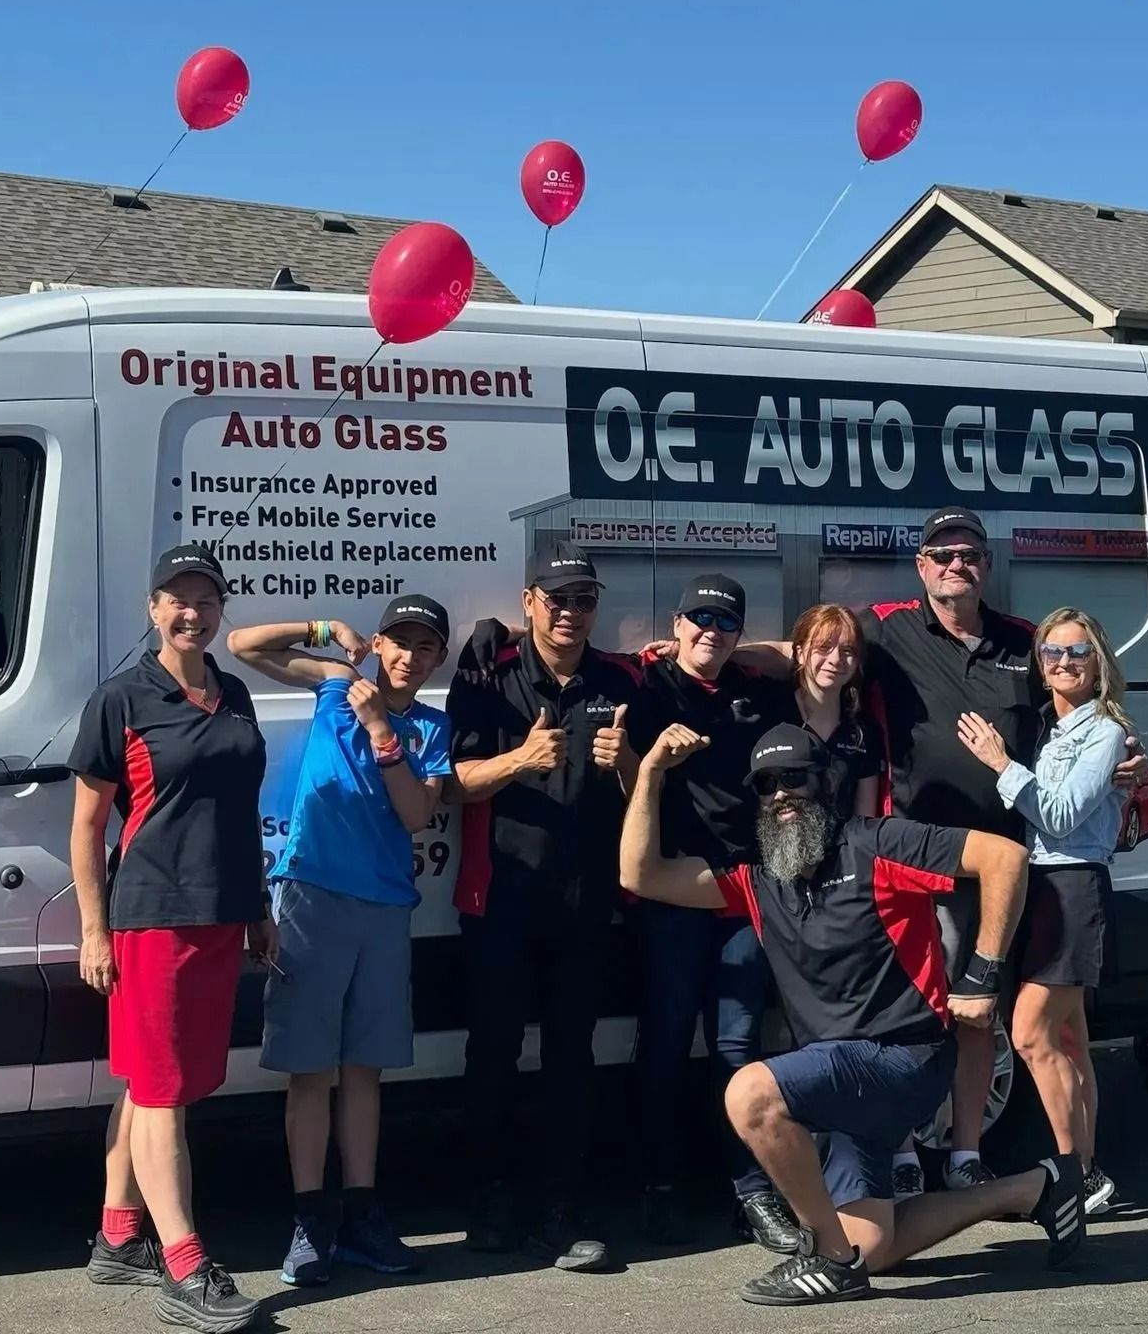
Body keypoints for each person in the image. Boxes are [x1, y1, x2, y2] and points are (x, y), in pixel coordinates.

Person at [732, 506, 1142, 1195]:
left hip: (1016, 865)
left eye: (970, 554)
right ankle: (901, 1152)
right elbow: (806, 650)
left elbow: (1077, 706)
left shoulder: (1025, 643)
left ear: (986, 565)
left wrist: (1120, 759)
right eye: (943, 554)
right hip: (924, 868)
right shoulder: (891, 630)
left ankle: (967, 1155)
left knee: (996, 1014)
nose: (957, 564)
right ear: (922, 566)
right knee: (924, 1012)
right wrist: (699, 651)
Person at [621, 723, 1085, 1305]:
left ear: (826, 783)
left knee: (750, 1094)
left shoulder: (877, 843)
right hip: (841, 1084)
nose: (781, 793)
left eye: (795, 778)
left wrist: (983, 974)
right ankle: (1037, 1186)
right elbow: (640, 875)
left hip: (903, 1058)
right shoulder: (759, 880)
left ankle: (827, 1259)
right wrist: (649, 773)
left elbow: (1005, 858)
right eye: (767, 785)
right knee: (877, 1248)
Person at [71, 544, 273, 1334]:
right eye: (177, 599)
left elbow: (242, 814)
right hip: (151, 918)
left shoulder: (235, 695)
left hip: (221, 916)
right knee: (162, 1095)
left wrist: (256, 906)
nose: (193, 612)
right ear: (153, 609)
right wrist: (95, 930)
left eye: (207, 599)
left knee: (155, 1083)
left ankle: (119, 1237)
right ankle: (185, 1266)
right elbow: (87, 826)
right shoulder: (121, 699)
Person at [227, 596, 455, 1286]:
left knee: (364, 1070)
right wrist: (327, 632)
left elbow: (417, 812)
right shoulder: (334, 681)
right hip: (311, 894)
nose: (410, 657)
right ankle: (308, 1221)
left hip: (384, 906)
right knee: (309, 1070)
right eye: (399, 642)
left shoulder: (433, 727)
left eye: (425, 647)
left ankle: (360, 1216)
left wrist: (383, 732)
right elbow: (244, 645)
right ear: (380, 643)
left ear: (438, 659)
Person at [445, 542, 641, 1272]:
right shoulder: (486, 673)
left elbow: (648, 791)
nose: (570, 611)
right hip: (500, 895)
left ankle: (562, 1206)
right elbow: (455, 780)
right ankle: (488, 1198)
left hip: (585, 900)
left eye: (583, 599)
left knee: (570, 1057)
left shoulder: (618, 680)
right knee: (491, 1053)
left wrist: (624, 761)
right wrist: (518, 762)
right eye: (556, 598)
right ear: (530, 601)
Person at [622, 575, 800, 1252]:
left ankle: (752, 1193)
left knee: (737, 1048)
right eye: (698, 620)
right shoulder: (646, 689)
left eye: (724, 623)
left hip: (741, 892)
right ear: (675, 623)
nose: (710, 632)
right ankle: (656, 1187)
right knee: (665, 1045)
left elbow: (808, 652)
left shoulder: (758, 692)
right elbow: (624, 783)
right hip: (670, 890)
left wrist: (743, 651)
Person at [958, 607, 1130, 1216]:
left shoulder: (1105, 733)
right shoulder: (1046, 730)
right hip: (1039, 887)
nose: (1064, 663)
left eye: (1078, 652)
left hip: (1075, 888)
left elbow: (1059, 816)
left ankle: (1072, 1177)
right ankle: (1090, 1172)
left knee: (1030, 1033)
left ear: (1098, 661)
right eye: (1052, 653)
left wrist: (1000, 763)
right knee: (1069, 1038)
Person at [788, 604, 881, 823]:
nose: (835, 659)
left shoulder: (864, 732)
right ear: (800, 654)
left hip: (845, 854)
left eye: (847, 650)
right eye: (824, 647)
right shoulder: (771, 716)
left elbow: (864, 821)